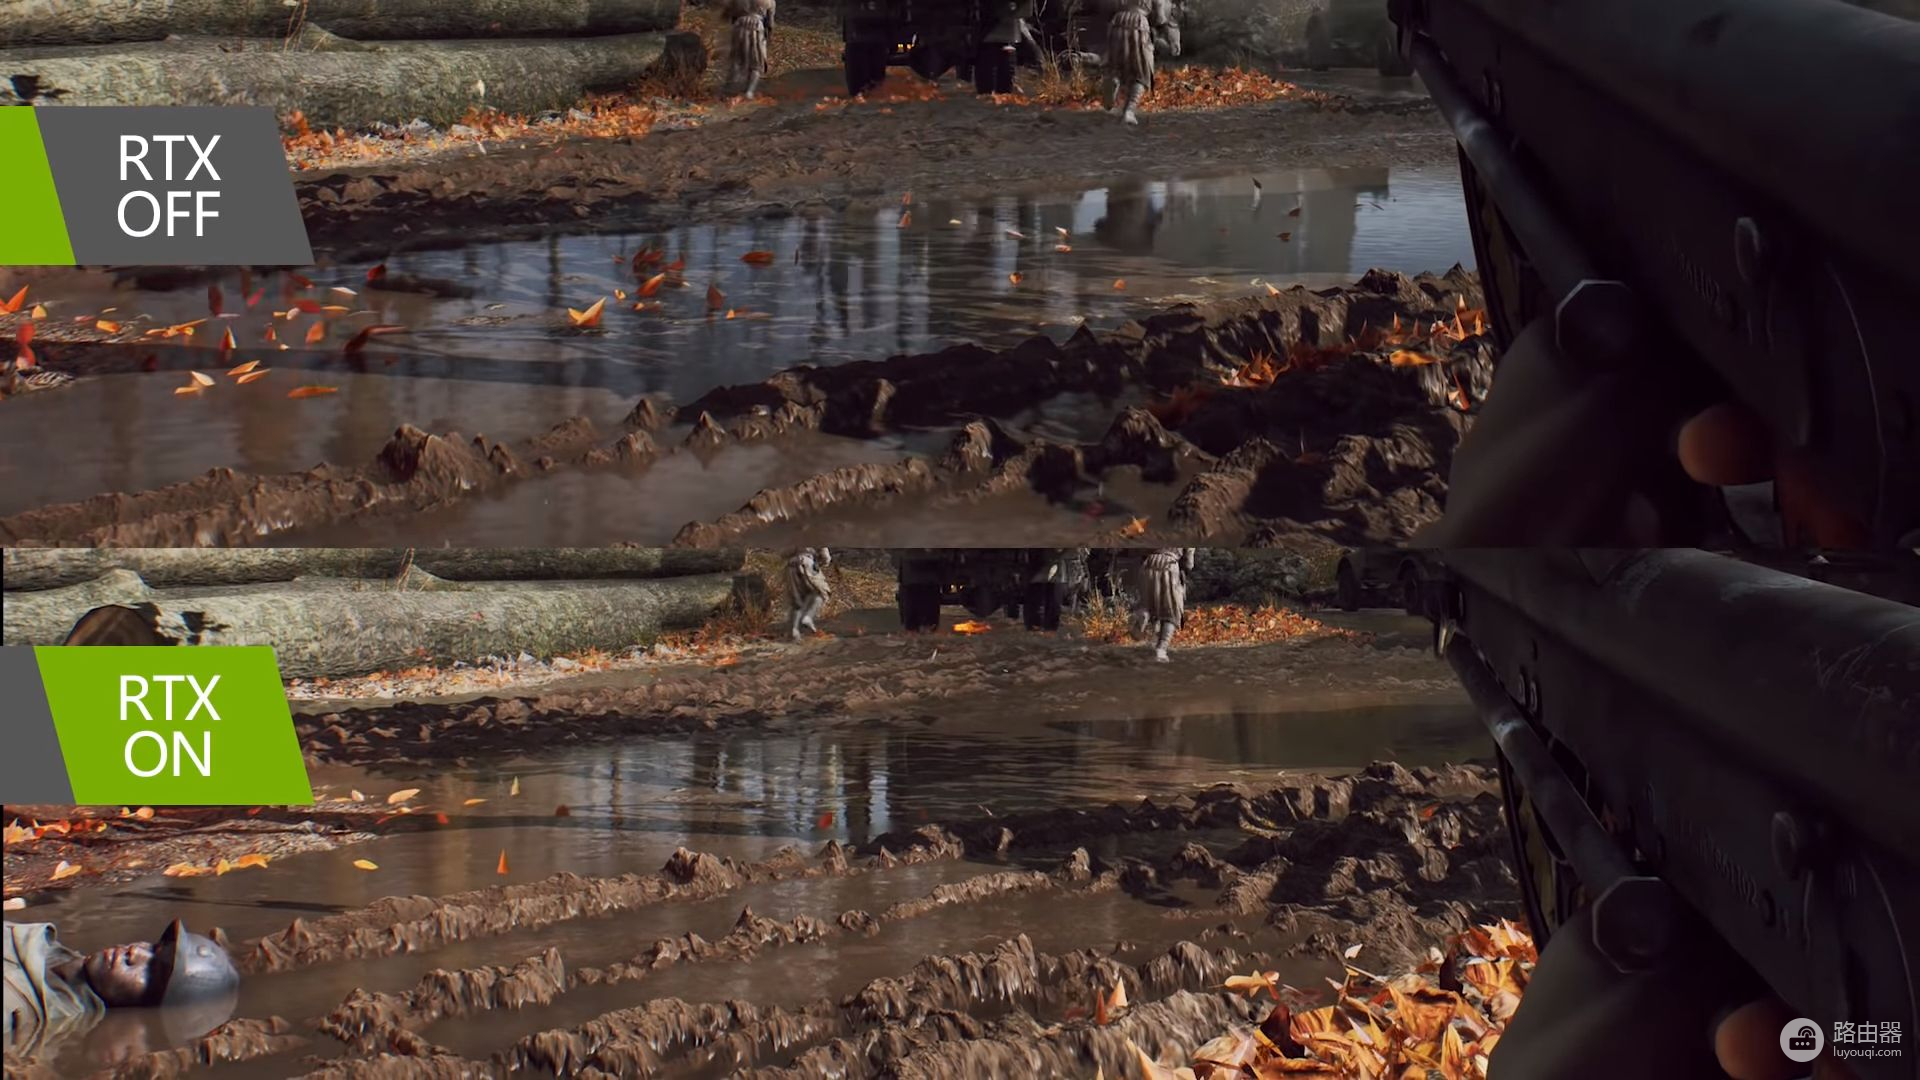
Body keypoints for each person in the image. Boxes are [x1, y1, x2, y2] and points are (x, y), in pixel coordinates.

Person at [4, 920, 238, 1060]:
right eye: (156, 948)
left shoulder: (21, 1013)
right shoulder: (40, 940)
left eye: (152, 971)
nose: (136, 952)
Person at [1103, 0, 1180, 125]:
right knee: (1142, 73)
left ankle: (1114, 80)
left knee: (1117, 65)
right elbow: (1161, 18)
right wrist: (1172, 40)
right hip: (1138, 24)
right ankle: (1128, 111)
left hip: (1117, 22)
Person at [1135, 547, 1193, 661]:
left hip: (1148, 563)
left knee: (1148, 605)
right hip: (1169, 565)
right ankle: (1161, 649)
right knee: (1172, 613)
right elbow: (1188, 562)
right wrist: (1185, 569)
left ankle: (1143, 615)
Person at [722, 0, 776, 100]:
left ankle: (730, 89)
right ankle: (749, 91)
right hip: (756, 27)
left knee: (737, 59)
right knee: (757, 61)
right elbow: (770, 23)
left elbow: (729, 15)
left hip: (739, 26)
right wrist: (768, 38)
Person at [786, 547, 831, 641]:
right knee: (822, 592)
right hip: (807, 563)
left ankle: (794, 631)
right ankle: (808, 617)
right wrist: (823, 561)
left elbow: (783, 553)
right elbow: (825, 556)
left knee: (798, 599)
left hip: (790, 566)